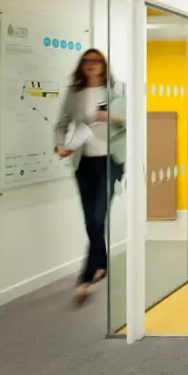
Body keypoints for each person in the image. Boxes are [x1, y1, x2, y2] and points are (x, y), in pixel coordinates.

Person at [53, 49, 126, 304]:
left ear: (103, 65)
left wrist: (113, 117)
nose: (91, 65)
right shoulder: (74, 94)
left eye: (95, 61)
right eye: (86, 61)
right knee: (90, 221)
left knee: (98, 217)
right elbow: (61, 125)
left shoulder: (115, 91)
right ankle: (101, 261)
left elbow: (131, 122)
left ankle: (84, 278)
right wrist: (60, 145)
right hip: (83, 162)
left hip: (111, 161)